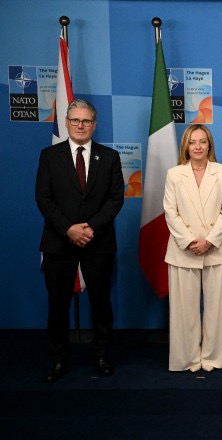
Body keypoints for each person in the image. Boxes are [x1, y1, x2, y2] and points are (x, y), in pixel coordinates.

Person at [35, 99, 124, 382]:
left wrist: (90, 228)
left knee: (101, 304)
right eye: (75, 120)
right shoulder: (49, 156)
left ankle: (102, 355)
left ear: (94, 125)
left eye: (86, 121)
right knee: (57, 306)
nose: (80, 125)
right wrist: (68, 229)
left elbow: (115, 199)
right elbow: (43, 199)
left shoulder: (109, 157)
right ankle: (58, 359)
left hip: (98, 243)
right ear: (66, 122)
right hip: (59, 243)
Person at [163, 124, 222, 373]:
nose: (197, 146)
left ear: (209, 145)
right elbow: (170, 212)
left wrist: (209, 240)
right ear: (186, 146)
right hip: (183, 249)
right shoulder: (174, 174)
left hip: (218, 248)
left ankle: (216, 357)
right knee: (184, 311)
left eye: (202, 141)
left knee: (218, 310)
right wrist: (189, 241)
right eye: (192, 142)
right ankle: (188, 359)